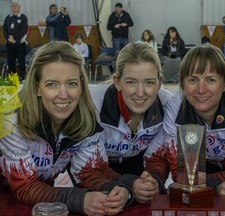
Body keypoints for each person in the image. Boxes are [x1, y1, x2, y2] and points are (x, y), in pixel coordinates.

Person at [0, 41, 133, 215]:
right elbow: (25, 186)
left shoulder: (86, 119)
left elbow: (87, 172)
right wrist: (78, 199)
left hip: (39, 202)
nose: (63, 94)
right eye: (52, 84)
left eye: (71, 83)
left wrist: (120, 189)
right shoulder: (11, 119)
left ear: (81, 86)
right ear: (37, 87)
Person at [164, 43, 225, 205]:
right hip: (208, 172)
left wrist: (204, 184)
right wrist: (215, 186)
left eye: (210, 80)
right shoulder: (174, 107)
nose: (201, 89)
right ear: (182, 84)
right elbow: (180, 174)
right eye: (193, 80)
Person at [91, 42, 172, 204]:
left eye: (149, 82)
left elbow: (159, 158)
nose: (140, 92)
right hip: (99, 171)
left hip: (139, 168)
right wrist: (127, 184)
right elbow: (88, 167)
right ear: (117, 81)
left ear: (160, 83)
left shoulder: (169, 105)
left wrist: (154, 179)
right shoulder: (93, 105)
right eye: (131, 82)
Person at [3, 2, 28, 82]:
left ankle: (22, 77)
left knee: (21, 61)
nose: (14, 7)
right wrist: (8, 38)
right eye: (12, 6)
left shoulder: (23, 17)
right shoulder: (8, 17)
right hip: (9, 44)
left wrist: (15, 38)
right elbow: (4, 29)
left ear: (19, 7)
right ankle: (12, 78)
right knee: (11, 62)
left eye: (16, 6)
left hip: (20, 44)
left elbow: (24, 30)